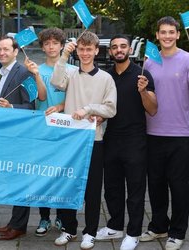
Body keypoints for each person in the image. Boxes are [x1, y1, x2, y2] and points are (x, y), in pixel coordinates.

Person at [50, 31, 117, 249]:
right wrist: (63, 56)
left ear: (97, 50)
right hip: (71, 140)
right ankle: (69, 229)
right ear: (76, 51)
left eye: (89, 49)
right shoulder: (70, 73)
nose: (85, 53)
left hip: (94, 140)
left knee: (92, 189)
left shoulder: (106, 78)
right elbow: (56, 81)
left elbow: (110, 107)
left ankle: (90, 231)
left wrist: (88, 109)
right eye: (81, 49)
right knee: (68, 185)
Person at [95, 34, 157, 250]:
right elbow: (101, 107)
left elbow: (153, 109)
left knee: (136, 189)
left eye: (123, 46)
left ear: (130, 49)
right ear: (110, 51)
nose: (119, 50)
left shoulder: (143, 74)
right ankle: (114, 226)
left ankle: (133, 232)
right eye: (114, 47)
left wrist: (143, 91)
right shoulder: (105, 76)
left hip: (135, 140)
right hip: (111, 138)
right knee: (112, 188)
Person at [140, 16, 189, 250]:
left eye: (171, 32)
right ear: (157, 35)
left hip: (181, 133)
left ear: (178, 34)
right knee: (156, 185)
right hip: (153, 132)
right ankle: (159, 225)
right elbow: (148, 97)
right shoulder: (150, 62)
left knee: (179, 186)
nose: (167, 36)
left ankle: (178, 232)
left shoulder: (187, 60)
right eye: (163, 32)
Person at [24, 27, 77, 237]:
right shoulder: (36, 70)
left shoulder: (72, 71)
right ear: (43, 47)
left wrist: (62, 106)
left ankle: (62, 216)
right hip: (42, 129)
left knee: (63, 174)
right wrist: (36, 75)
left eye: (55, 43)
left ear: (62, 45)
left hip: (65, 130)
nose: (51, 47)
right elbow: (42, 98)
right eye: (47, 43)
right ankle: (44, 217)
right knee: (43, 175)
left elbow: (76, 97)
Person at [0, 35, 35, 241]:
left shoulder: (24, 72)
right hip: (7, 137)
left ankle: (19, 225)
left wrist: (11, 107)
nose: (2, 53)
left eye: (6, 49)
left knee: (21, 181)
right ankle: (14, 222)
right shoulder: (3, 73)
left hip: (21, 137)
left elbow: (31, 106)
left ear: (15, 51)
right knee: (13, 181)